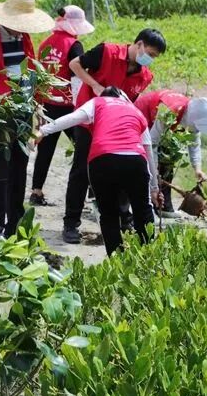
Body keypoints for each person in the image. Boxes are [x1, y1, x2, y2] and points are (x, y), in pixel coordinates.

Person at [60, 28, 166, 243]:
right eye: (150, 53)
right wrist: (95, 86)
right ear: (139, 44)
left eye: (154, 57)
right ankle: (71, 223)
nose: (150, 59)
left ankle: (123, 219)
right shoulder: (106, 52)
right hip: (89, 121)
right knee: (81, 170)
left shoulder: (145, 75)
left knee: (124, 169)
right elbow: (74, 65)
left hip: (116, 129)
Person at [0, 0, 54, 240]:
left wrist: (36, 112)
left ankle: (15, 229)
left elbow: (31, 76)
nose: (21, 28)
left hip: (22, 114)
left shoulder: (23, 38)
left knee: (19, 172)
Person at [39, 87, 160, 255]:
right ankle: (146, 258)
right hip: (135, 161)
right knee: (143, 211)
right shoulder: (135, 110)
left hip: (103, 160)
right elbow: (148, 153)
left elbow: (71, 119)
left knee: (108, 214)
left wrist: (42, 131)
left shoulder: (97, 102)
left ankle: (116, 260)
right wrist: (154, 188)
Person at [29, 5, 94, 207]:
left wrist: (38, 104)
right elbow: (76, 80)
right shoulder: (74, 45)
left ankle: (36, 191)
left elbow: (39, 76)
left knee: (46, 148)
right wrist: (79, 109)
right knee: (86, 147)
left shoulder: (45, 44)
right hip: (69, 105)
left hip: (48, 102)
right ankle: (92, 190)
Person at [134, 89, 207, 217]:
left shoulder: (190, 115)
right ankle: (147, 207)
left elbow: (194, 141)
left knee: (167, 160)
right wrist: (154, 168)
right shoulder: (170, 112)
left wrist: (197, 169)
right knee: (143, 165)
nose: (196, 130)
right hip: (141, 116)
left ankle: (164, 208)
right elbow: (152, 143)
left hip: (156, 129)